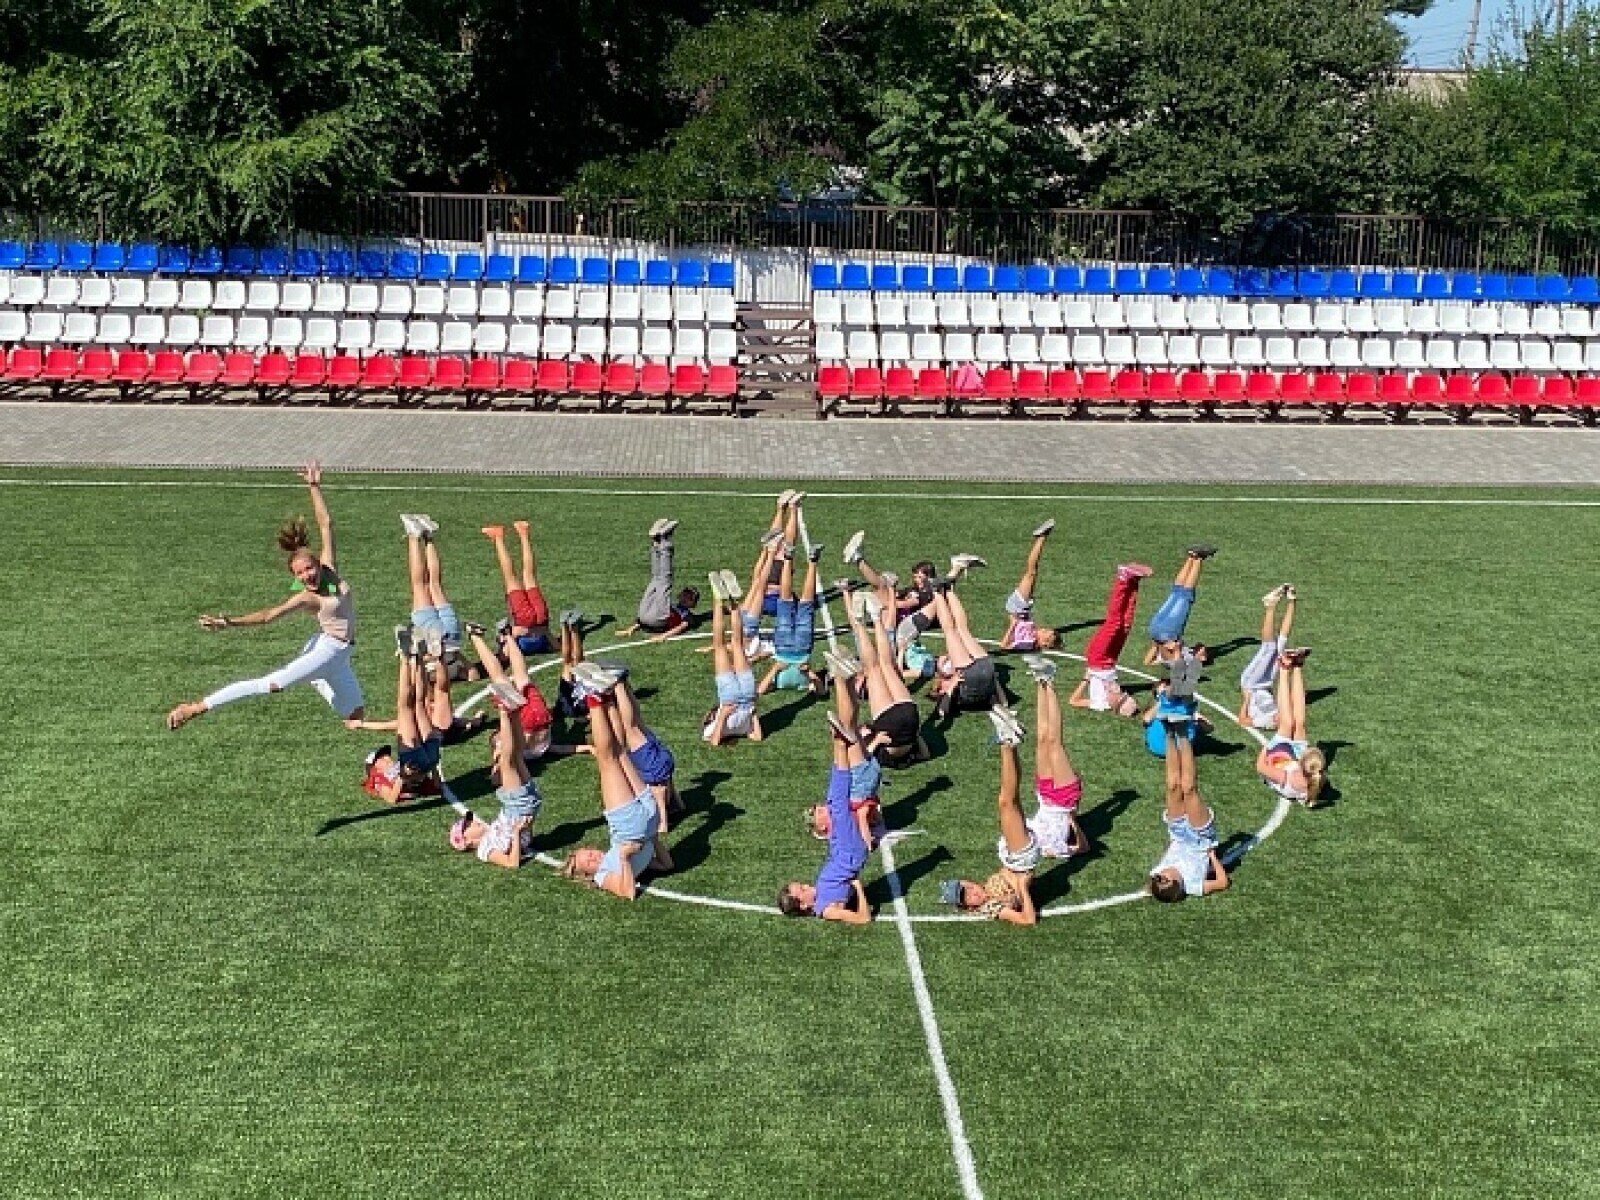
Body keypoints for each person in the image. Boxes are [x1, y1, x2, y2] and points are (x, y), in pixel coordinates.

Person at [166, 463, 365, 730]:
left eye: (309, 568)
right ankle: (196, 707)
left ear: (318, 564)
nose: (306, 575)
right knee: (272, 684)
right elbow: (268, 616)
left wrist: (314, 486)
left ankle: (315, 677)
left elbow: (326, 524)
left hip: (340, 654)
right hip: (326, 649)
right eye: (300, 574)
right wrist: (229, 622)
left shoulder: (331, 570)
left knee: (355, 715)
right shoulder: (308, 599)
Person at [557, 666, 667, 899]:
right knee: (607, 759)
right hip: (632, 827)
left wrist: (651, 838)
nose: (593, 856)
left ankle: (606, 697)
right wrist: (626, 857)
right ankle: (593, 697)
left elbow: (665, 865)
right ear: (587, 874)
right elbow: (628, 893)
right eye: (588, 861)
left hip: (646, 820)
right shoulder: (601, 876)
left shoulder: (611, 858)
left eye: (588, 852)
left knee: (619, 751)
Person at [935, 706, 1039, 925]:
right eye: (967, 897)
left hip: (1013, 857)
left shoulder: (985, 894)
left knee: (1011, 799)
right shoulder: (991, 907)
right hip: (1020, 861)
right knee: (1005, 802)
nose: (972, 892)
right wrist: (1022, 888)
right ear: (968, 907)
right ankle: (1007, 741)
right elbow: (1028, 920)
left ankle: (1010, 742)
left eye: (967, 888)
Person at [777, 719, 874, 925]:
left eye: (801, 885)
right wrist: (858, 887)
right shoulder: (826, 909)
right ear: (803, 905)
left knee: (833, 801)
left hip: (841, 851)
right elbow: (863, 918)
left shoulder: (821, 896)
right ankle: (839, 743)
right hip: (849, 853)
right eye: (802, 889)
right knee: (837, 802)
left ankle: (839, 742)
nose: (806, 885)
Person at [359, 631, 462, 805]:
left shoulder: (389, 771)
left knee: (419, 704)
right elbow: (391, 799)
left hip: (425, 760)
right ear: (374, 768)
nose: (386, 758)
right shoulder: (378, 779)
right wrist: (403, 776)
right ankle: (406, 657)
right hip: (417, 761)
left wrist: (432, 765)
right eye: (380, 758)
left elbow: (437, 785)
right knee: (406, 707)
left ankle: (419, 656)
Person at [446, 687, 543, 870]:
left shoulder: (490, 833)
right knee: (507, 761)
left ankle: (514, 713)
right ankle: (504, 710)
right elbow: (512, 863)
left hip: (520, 807)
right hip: (518, 808)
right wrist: (517, 833)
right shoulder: (484, 850)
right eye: (468, 825)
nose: (474, 822)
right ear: (466, 841)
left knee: (517, 756)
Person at [833, 582, 929, 766]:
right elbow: (863, 759)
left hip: (910, 716)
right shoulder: (885, 757)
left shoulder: (907, 754)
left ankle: (876, 617)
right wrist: (876, 741)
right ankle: (863, 621)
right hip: (890, 723)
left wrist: (915, 735)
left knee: (886, 666)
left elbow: (925, 754)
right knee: (874, 669)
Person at [1147, 714, 1230, 902]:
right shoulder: (1192, 885)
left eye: (1157, 878)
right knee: (1189, 789)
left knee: (1172, 785)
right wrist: (1212, 855)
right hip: (1200, 839)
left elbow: (1167, 856)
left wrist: (1170, 845)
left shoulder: (1157, 872)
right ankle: (1183, 733)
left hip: (1177, 832)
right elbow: (1222, 882)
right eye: (1163, 879)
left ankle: (1169, 732)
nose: (1160, 874)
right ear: (1176, 884)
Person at [803, 671, 886, 851]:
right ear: (823, 827)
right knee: (848, 726)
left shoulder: (839, 817)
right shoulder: (839, 823)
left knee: (851, 725)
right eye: (817, 812)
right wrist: (867, 843)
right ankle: (840, 678)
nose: (820, 807)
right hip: (859, 782)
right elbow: (862, 817)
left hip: (862, 779)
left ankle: (846, 680)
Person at [401, 515, 485, 684]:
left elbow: (473, 675)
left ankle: (428, 537)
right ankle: (413, 536)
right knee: (419, 585)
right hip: (432, 635)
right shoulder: (435, 676)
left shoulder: (456, 669)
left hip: (452, 635)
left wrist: (458, 658)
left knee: (435, 583)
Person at [1020, 656, 1089, 859]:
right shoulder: (1052, 849)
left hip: (1044, 795)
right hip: (1063, 802)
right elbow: (1084, 848)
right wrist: (1073, 821)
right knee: (1054, 742)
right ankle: (1050, 682)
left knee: (1042, 738)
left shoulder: (1027, 838)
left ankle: (1041, 680)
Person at [1069, 562, 1151, 718]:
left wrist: (1086, 679)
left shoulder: (1100, 704)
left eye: (1121, 696)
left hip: (1097, 659)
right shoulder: (1114, 696)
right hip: (1111, 660)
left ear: (1115, 704)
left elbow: (1074, 701)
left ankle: (1122, 578)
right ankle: (1133, 583)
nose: (1121, 692)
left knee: (1114, 623)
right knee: (1126, 624)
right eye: (1124, 694)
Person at [757, 532, 828, 696]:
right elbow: (822, 692)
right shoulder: (804, 685)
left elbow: (759, 691)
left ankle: (788, 558)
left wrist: (776, 669)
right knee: (806, 603)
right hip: (803, 649)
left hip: (782, 648)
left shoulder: (777, 684)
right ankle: (813, 561)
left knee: (785, 601)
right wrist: (808, 672)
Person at [1255, 647, 1327, 808]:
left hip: (1278, 759)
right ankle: (1297, 665)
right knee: (1299, 723)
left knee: (1288, 723)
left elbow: (1260, 766)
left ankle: (1284, 668)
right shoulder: (1314, 779)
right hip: (1292, 760)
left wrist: (1267, 746)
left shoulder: (1284, 778)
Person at [616, 519, 702, 642]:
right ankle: (656, 542)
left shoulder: (687, 615)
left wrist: (663, 636)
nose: (685, 597)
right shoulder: (671, 605)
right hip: (644, 616)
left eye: (690, 597)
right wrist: (630, 629)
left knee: (665, 581)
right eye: (685, 593)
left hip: (658, 620)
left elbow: (681, 627)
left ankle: (665, 541)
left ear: (693, 604)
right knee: (656, 579)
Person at [702, 575, 763, 744]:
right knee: (722, 645)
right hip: (736, 697)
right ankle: (720, 601)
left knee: (736, 644)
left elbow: (756, 737)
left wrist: (750, 713)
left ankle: (733, 603)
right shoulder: (713, 729)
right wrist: (751, 713)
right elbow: (757, 737)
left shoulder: (735, 729)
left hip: (744, 697)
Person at [926, 578, 999, 718]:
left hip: (984, 670)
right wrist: (952, 685)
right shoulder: (952, 697)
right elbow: (942, 712)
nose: (942, 682)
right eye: (940, 686)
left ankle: (948, 590)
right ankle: (937, 591)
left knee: (960, 630)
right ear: (941, 692)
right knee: (951, 630)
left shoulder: (957, 691)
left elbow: (998, 694)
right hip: (972, 675)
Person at [482, 519, 554, 655]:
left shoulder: (543, 641)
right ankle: (498, 537)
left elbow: (555, 644)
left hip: (542, 617)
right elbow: (506, 653)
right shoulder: (520, 644)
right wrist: (507, 637)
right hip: (524, 618)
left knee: (529, 575)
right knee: (510, 577)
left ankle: (523, 533)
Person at [1142, 546, 1215, 666]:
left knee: (1185, 595)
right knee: (1176, 591)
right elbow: (1146, 662)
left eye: (1204, 653)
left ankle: (1198, 559)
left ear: (1201, 659)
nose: (1204, 649)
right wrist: (1158, 644)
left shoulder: (1188, 660)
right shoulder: (1188, 653)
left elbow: (1172, 662)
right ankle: (1191, 557)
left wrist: (1173, 648)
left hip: (1167, 632)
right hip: (1154, 629)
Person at [1238, 584, 1296, 730]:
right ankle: (1291, 601)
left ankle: (1270, 606)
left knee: (1268, 648)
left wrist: (1246, 700)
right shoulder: (1280, 713)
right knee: (1281, 642)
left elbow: (1242, 721)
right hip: (1267, 682)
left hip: (1251, 683)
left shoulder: (1265, 721)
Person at [1001, 520, 1062, 653]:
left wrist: (1012, 625)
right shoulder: (1032, 640)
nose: (1043, 629)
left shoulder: (1027, 643)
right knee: (1031, 573)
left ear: (1044, 642)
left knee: (1031, 572)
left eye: (1045, 633)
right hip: (1024, 608)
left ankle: (1041, 536)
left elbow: (1004, 646)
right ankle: (1041, 537)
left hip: (1017, 607)